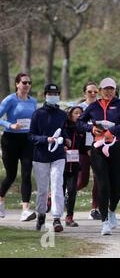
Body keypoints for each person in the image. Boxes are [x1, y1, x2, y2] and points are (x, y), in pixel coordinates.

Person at [77, 77, 120, 236]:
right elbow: (79, 123)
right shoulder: (93, 106)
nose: (109, 91)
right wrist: (91, 129)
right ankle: (104, 223)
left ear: (115, 90)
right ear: (100, 91)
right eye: (106, 89)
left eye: (112, 89)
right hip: (97, 150)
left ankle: (112, 211)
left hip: (116, 148)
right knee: (102, 186)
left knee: (116, 189)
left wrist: (113, 130)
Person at [29, 83, 70, 232]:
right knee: (42, 189)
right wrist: (45, 140)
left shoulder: (62, 114)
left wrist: (66, 139)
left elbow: (63, 130)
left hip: (58, 155)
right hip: (40, 156)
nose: (54, 96)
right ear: (45, 95)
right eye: (51, 94)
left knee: (57, 185)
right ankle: (41, 215)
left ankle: (57, 218)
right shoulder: (37, 114)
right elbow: (31, 136)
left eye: (56, 94)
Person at [0, 73, 37, 221]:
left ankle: (25, 210)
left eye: (29, 83)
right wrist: (10, 125)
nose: (27, 85)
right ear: (17, 84)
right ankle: (1, 200)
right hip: (10, 139)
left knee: (27, 173)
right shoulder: (10, 99)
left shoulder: (33, 101)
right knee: (11, 175)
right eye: (24, 82)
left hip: (27, 139)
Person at [78, 82, 101, 220]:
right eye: (90, 92)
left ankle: (94, 209)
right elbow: (76, 126)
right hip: (82, 147)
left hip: (97, 146)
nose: (93, 94)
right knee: (82, 181)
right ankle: (59, 195)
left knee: (98, 179)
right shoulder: (80, 108)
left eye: (95, 92)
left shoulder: (100, 107)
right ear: (84, 93)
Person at [63, 106, 86, 227]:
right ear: (70, 114)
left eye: (80, 113)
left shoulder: (82, 129)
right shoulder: (63, 127)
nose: (78, 115)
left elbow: (84, 146)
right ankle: (55, 216)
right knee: (60, 191)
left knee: (72, 191)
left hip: (74, 164)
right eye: (76, 113)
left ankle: (69, 217)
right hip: (61, 164)